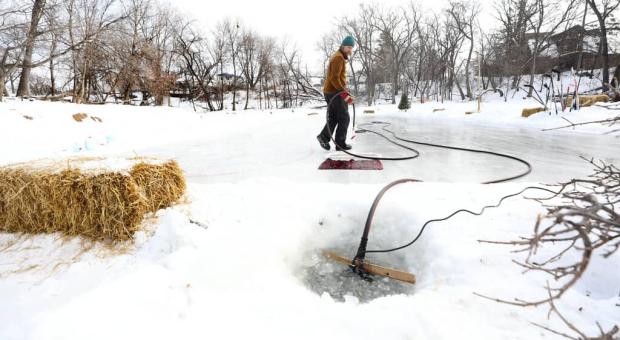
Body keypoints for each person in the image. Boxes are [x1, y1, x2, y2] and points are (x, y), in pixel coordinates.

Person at [316, 36, 355, 151]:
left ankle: (323, 137)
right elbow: (334, 78)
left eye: (351, 48)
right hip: (334, 92)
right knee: (344, 117)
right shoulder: (338, 58)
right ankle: (340, 143)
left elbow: (337, 78)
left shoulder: (338, 56)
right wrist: (343, 93)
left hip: (331, 91)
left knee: (334, 117)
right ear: (343, 46)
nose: (350, 50)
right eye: (348, 47)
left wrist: (345, 92)